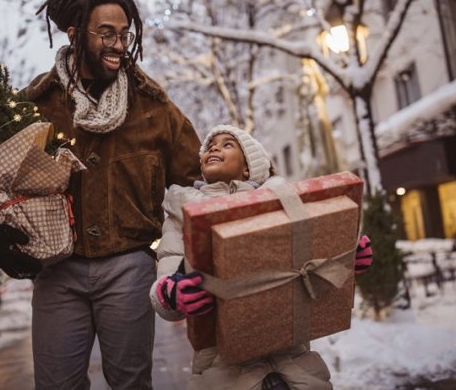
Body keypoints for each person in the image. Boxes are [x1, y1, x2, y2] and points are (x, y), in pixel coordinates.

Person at [0, 0, 202, 390]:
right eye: (107, 33)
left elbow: (204, 180)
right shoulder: (34, 106)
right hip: (57, 271)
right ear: (75, 34)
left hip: (130, 267)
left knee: (131, 383)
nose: (119, 44)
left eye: (125, 34)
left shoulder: (154, 108)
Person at [150, 124, 373, 390]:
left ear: (248, 167)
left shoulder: (288, 205)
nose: (214, 148)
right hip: (222, 371)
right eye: (210, 146)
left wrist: (344, 260)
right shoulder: (181, 216)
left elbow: (311, 271)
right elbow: (165, 287)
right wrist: (170, 294)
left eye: (227, 144)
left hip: (295, 364)